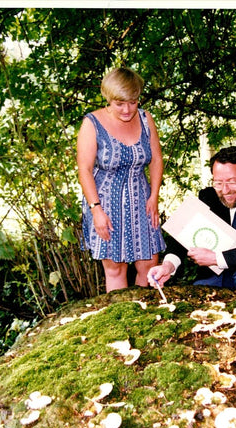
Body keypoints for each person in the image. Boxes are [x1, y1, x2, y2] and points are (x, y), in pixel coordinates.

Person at [148, 146, 236, 293]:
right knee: (199, 292)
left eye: (232, 182)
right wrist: (168, 266)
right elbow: (183, 234)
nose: (225, 190)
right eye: (219, 183)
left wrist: (217, 258)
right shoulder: (208, 196)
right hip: (214, 275)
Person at [77, 66, 166, 292]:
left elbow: (156, 159)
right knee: (116, 268)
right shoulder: (92, 123)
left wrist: (154, 195)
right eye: (120, 103)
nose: (127, 109)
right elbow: (84, 169)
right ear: (108, 98)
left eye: (133, 102)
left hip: (142, 199)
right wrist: (96, 209)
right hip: (106, 202)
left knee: (149, 264)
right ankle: (121, 321)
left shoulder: (146, 119)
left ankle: (146, 316)